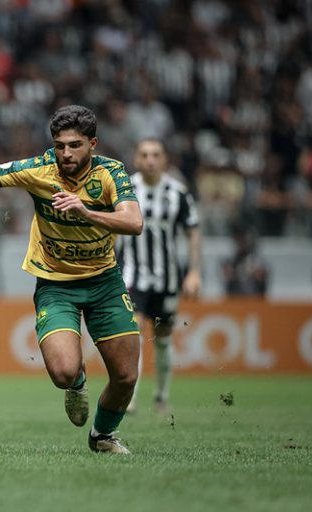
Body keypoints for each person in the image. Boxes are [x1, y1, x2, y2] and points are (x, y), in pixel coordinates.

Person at [0, 105, 142, 454]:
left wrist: (84, 210)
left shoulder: (112, 173)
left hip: (104, 283)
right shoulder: (38, 169)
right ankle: (77, 383)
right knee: (63, 371)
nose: (66, 153)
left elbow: (134, 222)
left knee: (125, 376)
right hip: (56, 283)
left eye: (75, 145)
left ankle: (102, 436)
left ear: (93, 144)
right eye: (60, 145)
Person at [118, 139, 201, 413]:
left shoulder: (177, 192)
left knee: (163, 337)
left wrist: (194, 271)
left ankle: (161, 396)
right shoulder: (125, 188)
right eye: (145, 155)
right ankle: (130, 398)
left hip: (166, 280)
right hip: (132, 277)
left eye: (156, 155)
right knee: (135, 331)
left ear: (164, 159)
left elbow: (193, 232)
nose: (150, 160)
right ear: (136, 159)